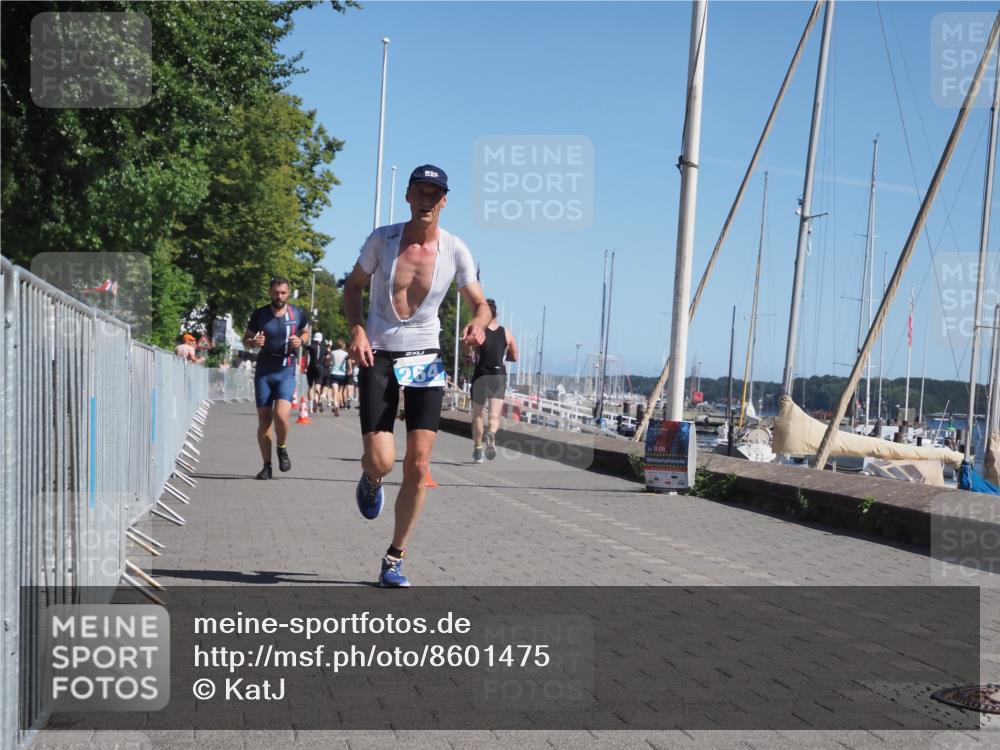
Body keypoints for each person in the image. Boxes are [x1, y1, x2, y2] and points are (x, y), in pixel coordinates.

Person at [343, 164, 490, 587]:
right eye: (420, 192)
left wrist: (479, 323)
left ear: (444, 201)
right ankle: (372, 479)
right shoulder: (383, 239)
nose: (426, 200)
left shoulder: (455, 250)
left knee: (419, 463)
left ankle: (394, 557)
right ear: (408, 196)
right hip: (379, 352)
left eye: (434, 194)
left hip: (425, 355)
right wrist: (356, 330)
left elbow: (480, 304)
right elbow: (353, 286)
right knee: (382, 460)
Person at [242, 276, 310, 480]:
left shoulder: (297, 313)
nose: (279, 296)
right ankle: (267, 465)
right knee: (264, 421)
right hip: (264, 371)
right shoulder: (260, 314)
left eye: (283, 292)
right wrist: (254, 342)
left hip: (286, 369)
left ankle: (281, 446)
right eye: (276, 292)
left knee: (281, 415)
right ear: (270, 292)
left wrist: (300, 340)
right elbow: (246, 340)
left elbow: (306, 332)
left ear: (288, 293)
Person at [469, 299, 517, 462]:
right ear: (497, 314)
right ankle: (491, 433)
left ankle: (478, 450)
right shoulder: (506, 333)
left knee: (477, 414)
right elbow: (515, 356)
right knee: (494, 415)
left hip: (481, 373)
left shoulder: (478, 332)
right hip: (498, 374)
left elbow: (467, 349)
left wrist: (468, 356)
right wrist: (504, 356)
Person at [326, 338, 350, 416]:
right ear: (343, 345)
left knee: (335, 391)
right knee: (340, 391)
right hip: (342, 374)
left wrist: (327, 364)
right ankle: (338, 405)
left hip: (334, 373)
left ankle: (336, 404)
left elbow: (328, 361)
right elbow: (348, 361)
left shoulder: (333, 352)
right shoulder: (345, 354)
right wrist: (350, 369)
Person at [306, 332, 327, 412]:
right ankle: (316, 398)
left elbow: (305, 346)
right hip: (320, 367)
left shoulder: (311, 346)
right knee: (318, 386)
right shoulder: (324, 348)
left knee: (310, 386)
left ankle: (311, 406)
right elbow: (327, 355)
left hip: (311, 367)